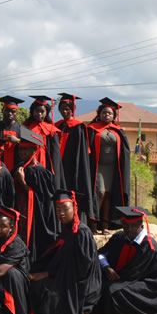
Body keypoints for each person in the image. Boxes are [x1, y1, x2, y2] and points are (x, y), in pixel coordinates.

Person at [29, 190, 101, 314]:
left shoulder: (82, 232)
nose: (61, 213)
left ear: (75, 208)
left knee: (42, 288)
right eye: (57, 210)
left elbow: (82, 268)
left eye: (65, 209)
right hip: (65, 277)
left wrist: (48, 274)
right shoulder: (68, 231)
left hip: (79, 284)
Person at [95, 206, 157, 314]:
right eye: (126, 225)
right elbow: (100, 254)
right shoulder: (120, 237)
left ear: (141, 225)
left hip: (151, 284)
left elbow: (133, 273)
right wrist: (106, 267)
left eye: (133, 226)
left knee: (114, 290)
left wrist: (111, 276)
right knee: (97, 281)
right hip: (126, 278)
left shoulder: (149, 247)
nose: (129, 229)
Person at [13, 131, 60, 262]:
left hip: (36, 218)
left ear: (35, 150)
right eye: (21, 149)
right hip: (21, 212)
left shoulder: (40, 172)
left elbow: (43, 201)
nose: (22, 153)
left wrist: (23, 182)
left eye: (26, 149)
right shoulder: (20, 167)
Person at [86, 98, 131, 231]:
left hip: (113, 168)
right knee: (100, 193)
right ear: (99, 114)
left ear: (114, 116)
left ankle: (105, 224)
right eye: (104, 113)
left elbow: (124, 151)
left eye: (110, 113)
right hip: (98, 167)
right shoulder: (92, 129)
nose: (107, 115)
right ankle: (93, 222)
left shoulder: (118, 131)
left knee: (109, 195)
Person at [54, 93, 94, 223]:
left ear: (73, 110)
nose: (64, 112)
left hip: (73, 166)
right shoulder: (58, 125)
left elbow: (81, 152)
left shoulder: (78, 127)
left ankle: (75, 220)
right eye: (62, 109)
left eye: (67, 109)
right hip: (59, 166)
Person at [0, 204, 30, 314]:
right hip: (0, 281)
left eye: (3, 226)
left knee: (12, 273)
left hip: (16, 283)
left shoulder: (17, 245)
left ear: (11, 228)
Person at [23, 96, 65, 190]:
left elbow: (55, 154)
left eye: (42, 111)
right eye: (37, 111)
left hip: (47, 165)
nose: (39, 114)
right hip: (30, 165)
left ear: (47, 113)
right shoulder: (26, 127)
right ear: (32, 111)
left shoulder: (52, 130)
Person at [0, 96, 25, 173]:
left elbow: (31, 145)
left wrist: (17, 140)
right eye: (7, 110)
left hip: (17, 166)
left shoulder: (22, 129)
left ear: (17, 113)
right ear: (2, 110)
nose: (10, 113)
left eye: (13, 111)